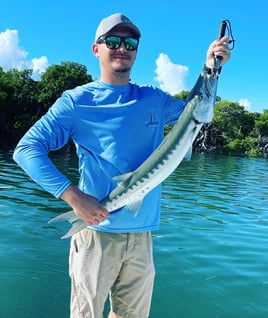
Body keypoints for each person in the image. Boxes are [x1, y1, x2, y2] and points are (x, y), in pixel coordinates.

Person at [13, 13, 231, 318]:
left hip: (141, 236)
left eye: (130, 42)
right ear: (96, 49)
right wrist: (74, 198)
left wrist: (210, 69)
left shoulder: (153, 99)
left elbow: (198, 112)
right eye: (112, 41)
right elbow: (26, 150)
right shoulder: (76, 102)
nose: (122, 47)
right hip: (95, 233)